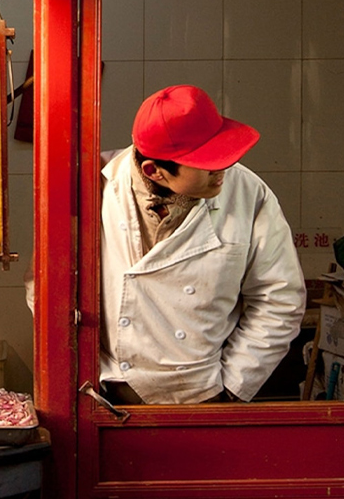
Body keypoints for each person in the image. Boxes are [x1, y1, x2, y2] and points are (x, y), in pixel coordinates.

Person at [98, 85, 305, 404]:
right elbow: (44, 287)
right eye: (208, 161)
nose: (223, 169)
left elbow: (279, 297)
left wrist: (234, 385)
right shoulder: (94, 187)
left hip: (202, 392)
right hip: (110, 390)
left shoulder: (249, 193)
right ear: (155, 171)